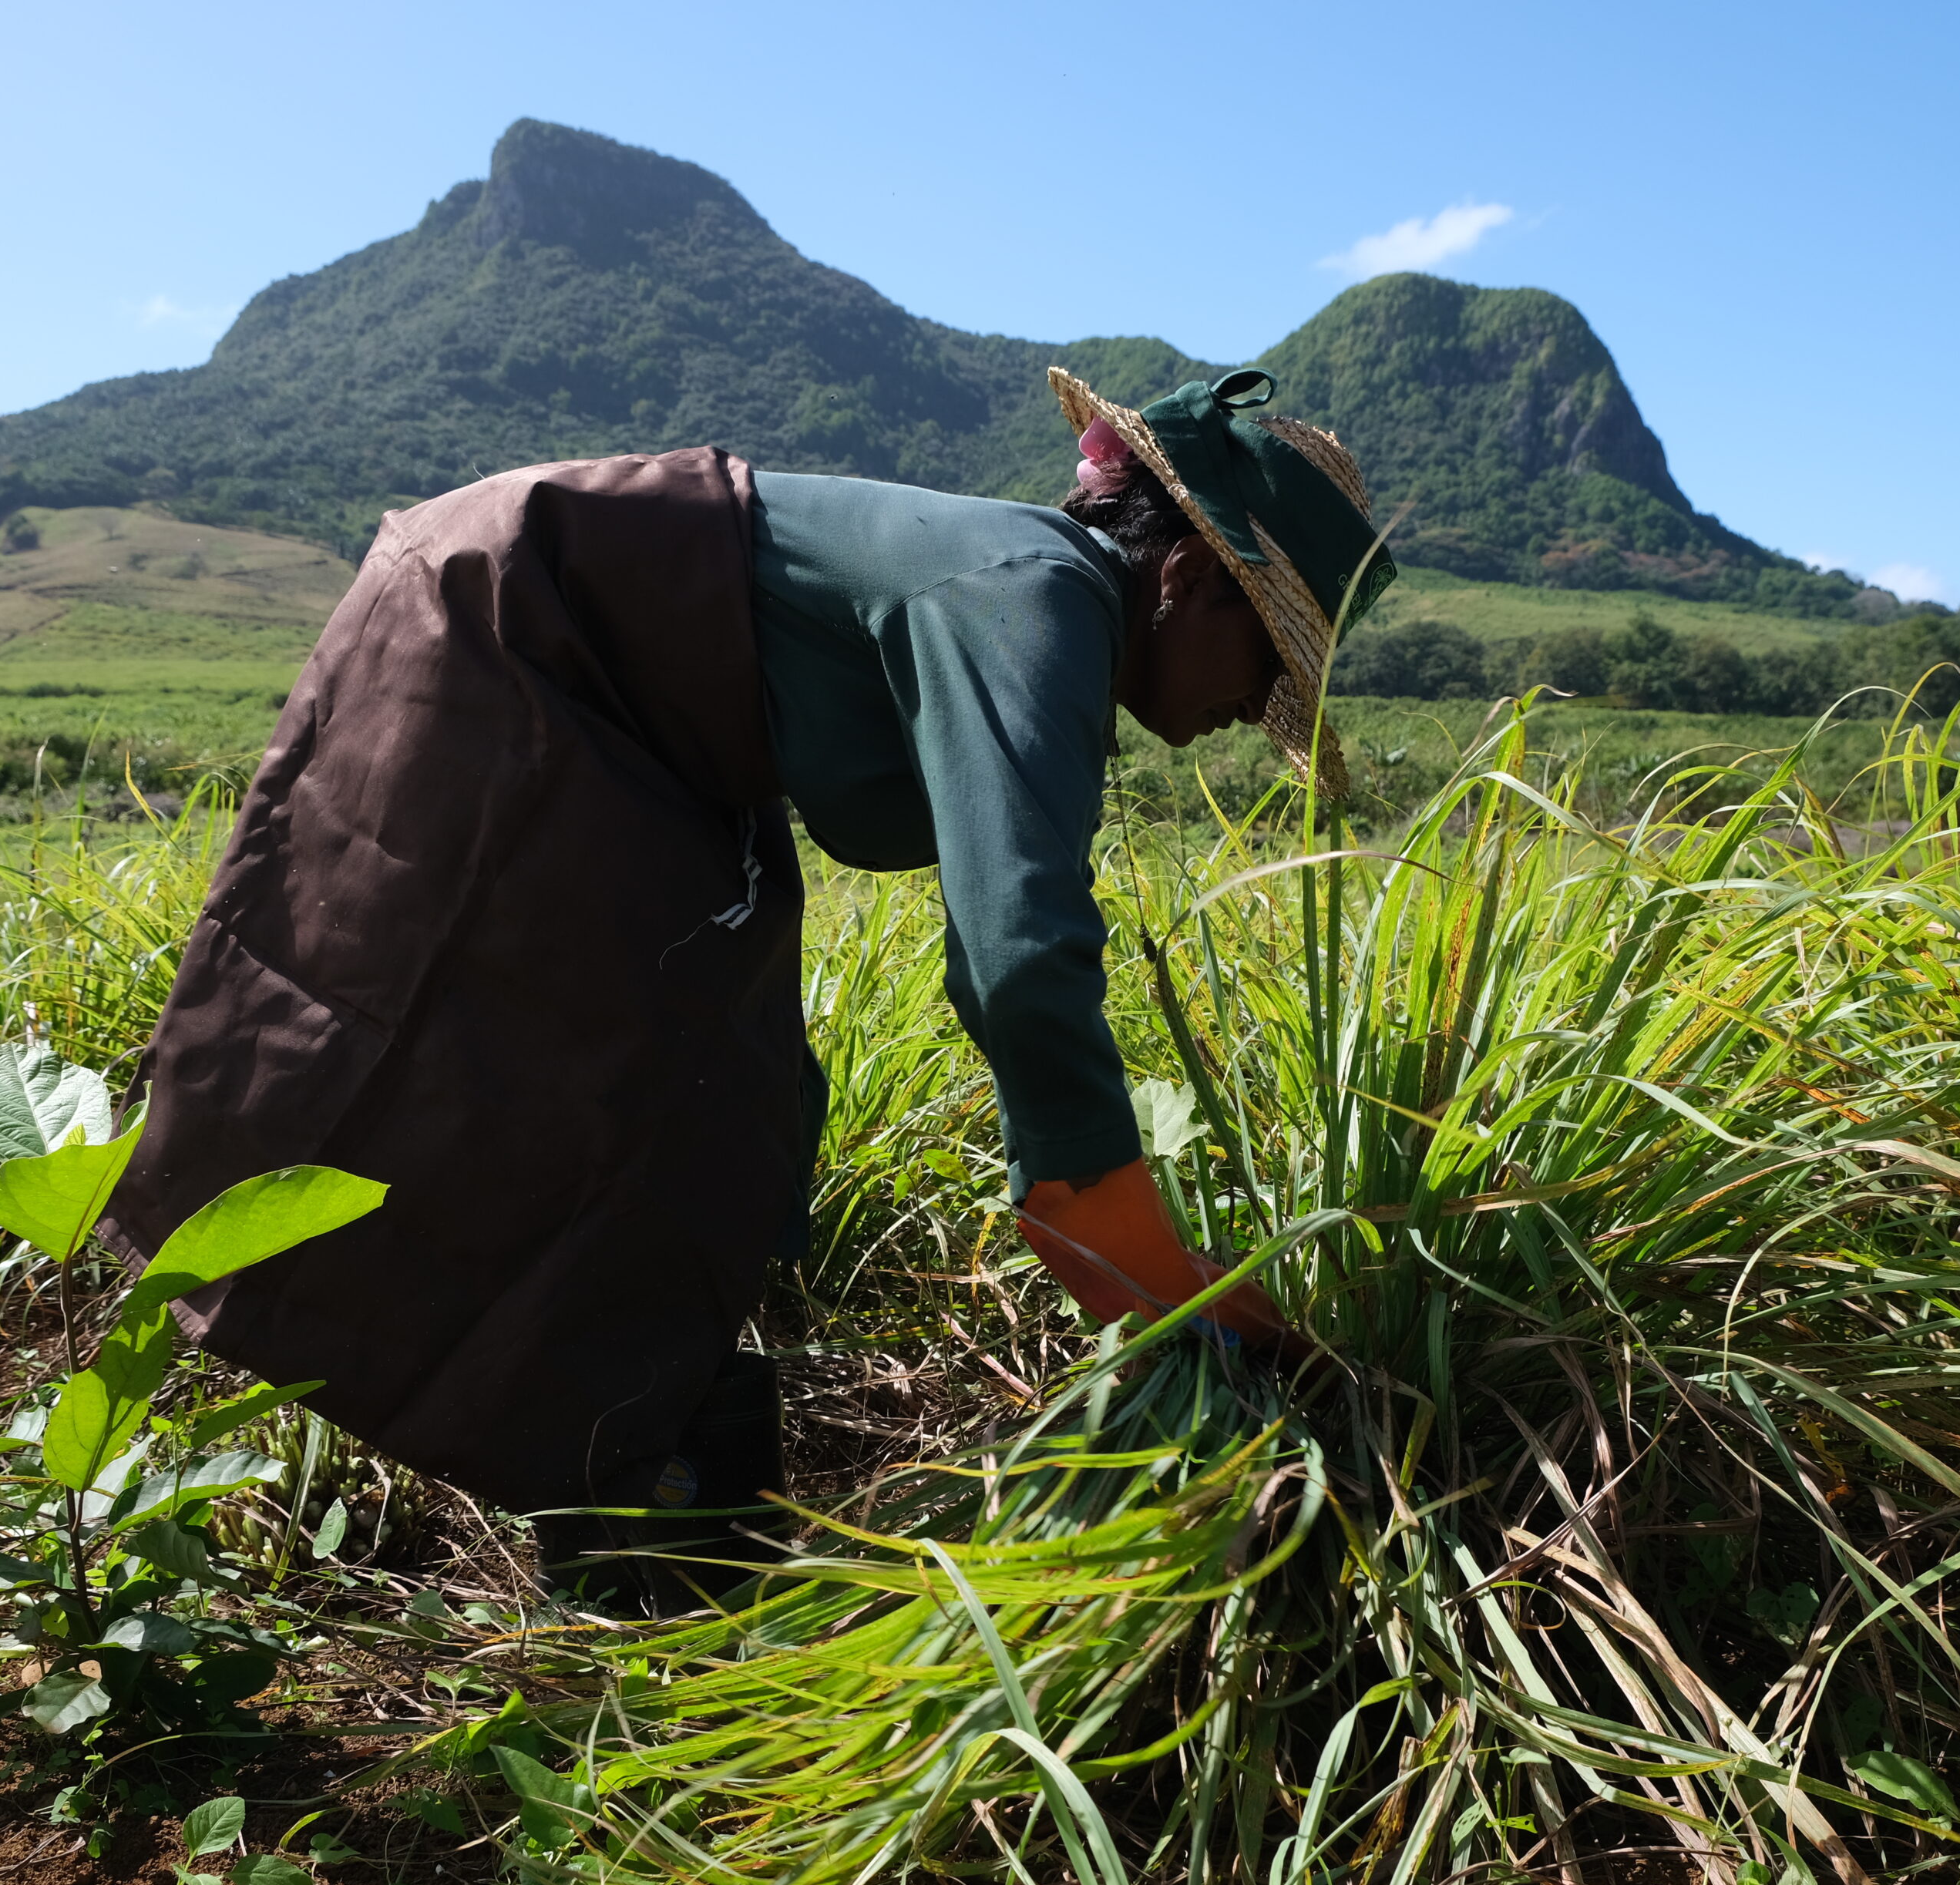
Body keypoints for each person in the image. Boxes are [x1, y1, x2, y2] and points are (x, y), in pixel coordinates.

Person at [95, 366, 1394, 1606]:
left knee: (729, 1104)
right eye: (1274, 663)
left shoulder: (1045, 597)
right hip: (512, 634)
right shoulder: (1037, 591)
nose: (1260, 705)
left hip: (647, 742)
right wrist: (1110, 1229)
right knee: (540, 1065)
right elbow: (1023, 937)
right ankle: (604, 1518)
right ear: (1188, 579)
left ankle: (663, 1516)